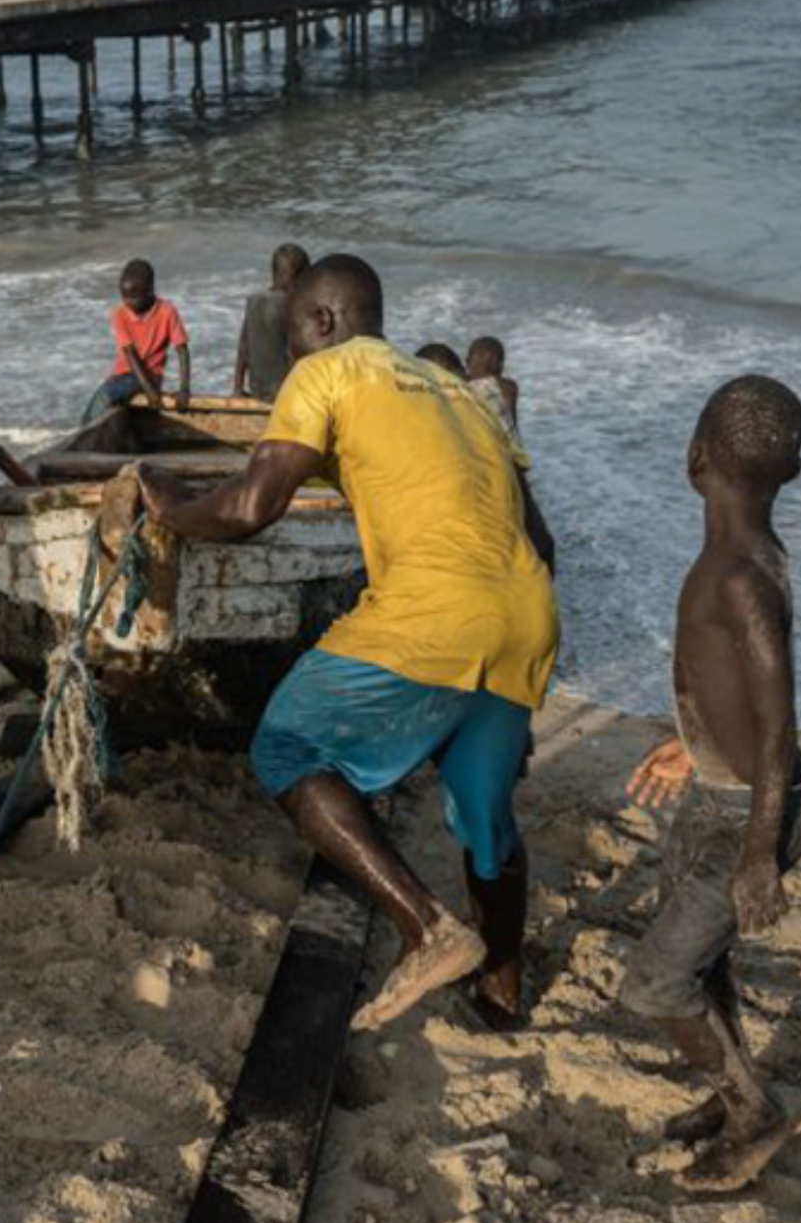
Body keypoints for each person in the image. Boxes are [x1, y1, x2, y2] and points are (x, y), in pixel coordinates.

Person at [137, 255, 559, 1033]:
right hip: (525, 616)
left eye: (293, 335)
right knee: (486, 822)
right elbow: (543, 541)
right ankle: (502, 995)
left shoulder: (326, 371)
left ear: (323, 321)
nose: (291, 352)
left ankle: (427, 927)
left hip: (430, 612)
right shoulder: (464, 395)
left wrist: (171, 510)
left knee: (286, 749)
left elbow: (252, 505)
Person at [620, 374, 801, 1193]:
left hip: (754, 812)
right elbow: (734, 695)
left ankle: (754, 1113)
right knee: (699, 962)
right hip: (719, 790)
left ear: (694, 456)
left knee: (657, 980)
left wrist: (760, 856)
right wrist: (694, 743)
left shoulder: (740, 577)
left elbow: (778, 727)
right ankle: (729, 1085)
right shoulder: (743, 558)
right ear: (791, 472)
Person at [83, 259, 190, 421]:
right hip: (124, 376)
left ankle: (87, 431)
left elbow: (182, 351)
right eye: (124, 297)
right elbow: (130, 354)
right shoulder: (119, 314)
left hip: (150, 376)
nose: (127, 302)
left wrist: (184, 389)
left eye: (133, 298)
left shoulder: (167, 311)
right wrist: (150, 392)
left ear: (150, 291)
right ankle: (86, 428)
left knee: (105, 395)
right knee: (97, 403)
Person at [236, 244, 308, 401]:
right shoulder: (292, 305)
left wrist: (238, 388)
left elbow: (243, 347)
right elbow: (295, 352)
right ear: (296, 277)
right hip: (285, 393)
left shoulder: (254, 302)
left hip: (257, 391)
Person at [465, 336, 520, 439]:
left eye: (493, 358)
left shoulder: (506, 386)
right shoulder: (461, 384)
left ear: (501, 366)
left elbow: (511, 422)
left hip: (498, 442)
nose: (486, 363)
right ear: (467, 362)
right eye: (481, 356)